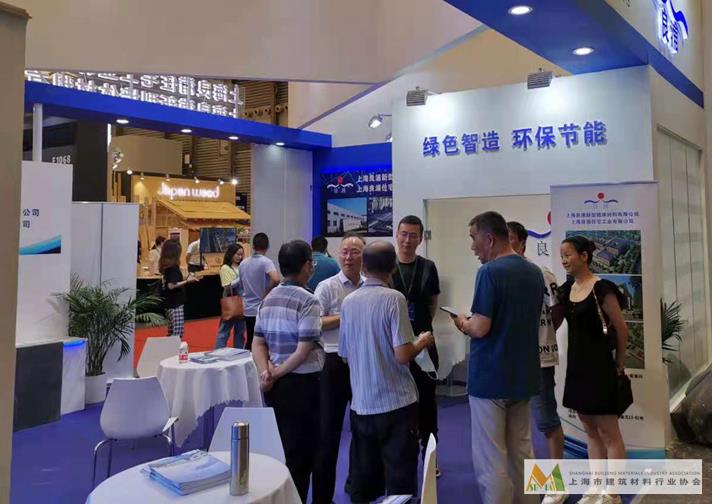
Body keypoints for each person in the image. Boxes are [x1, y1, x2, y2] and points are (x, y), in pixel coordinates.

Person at [450, 211, 543, 504]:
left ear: (489, 238)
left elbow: (480, 327)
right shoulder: (534, 271)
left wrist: (463, 323)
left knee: (491, 457)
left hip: (491, 377)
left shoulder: (489, 272)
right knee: (523, 449)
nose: (472, 247)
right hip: (524, 374)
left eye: (473, 238)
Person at [339, 241, 434, 504]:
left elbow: (344, 354)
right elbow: (402, 354)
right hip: (396, 403)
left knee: (364, 478)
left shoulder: (348, 302)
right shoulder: (394, 298)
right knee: (399, 481)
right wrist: (422, 341)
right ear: (392, 268)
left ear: (363, 267)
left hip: (362, 403)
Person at [553, 236, 627, 504]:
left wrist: (620, 363)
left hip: (600, 368)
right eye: (561, 255)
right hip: (577, 369)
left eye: (568, 255)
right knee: (591, 432)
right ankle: (595, 487)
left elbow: (622, 329)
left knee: (609, 433)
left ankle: (613, 493)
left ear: (584, 256)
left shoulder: (602, 289)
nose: (564, 260)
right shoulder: (565, 290)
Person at [251, 240, 324, 504]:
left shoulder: (268, 299)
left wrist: (266, 372)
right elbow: (303, 350)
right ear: (306, 266)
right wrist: (276, 373)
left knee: (283, 448)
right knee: (302, 456)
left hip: (275, 386)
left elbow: (257, 342)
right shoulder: (308, 300)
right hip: (302, 384)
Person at [507, 221, 566, 504]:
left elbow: (558, 309)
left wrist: (543, 334)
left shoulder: (541, 273)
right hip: (509, 361)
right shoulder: (498, 274)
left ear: (521, 242)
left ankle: (556, 486)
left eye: (509, 238)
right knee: (518, 426)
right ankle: (525, 482)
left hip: (539, 359)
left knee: (547, 420)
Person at [312, 233, 366, 504]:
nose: (348, 257)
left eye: (355, 252)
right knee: (327, 434)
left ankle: (357, 486)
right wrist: (347, 314)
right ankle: (322, 497)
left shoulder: (370, 286)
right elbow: (315, 323)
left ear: (364, 256)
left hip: (363, 364)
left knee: (363, 431)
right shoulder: (327, 287)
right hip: (332, 364)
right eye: (344, 251)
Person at [391, 215, 441, 473]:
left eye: (413, 235)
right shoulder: (387, 266)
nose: (407, 240)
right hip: (394, 347)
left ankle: (430, 460)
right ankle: (401, 460)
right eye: (403, 234)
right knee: (398, 406)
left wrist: (419, 332)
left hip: (424, 344)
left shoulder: (428, 267)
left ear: (420, 239)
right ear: (396, 235)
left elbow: (432, 304)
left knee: (427, 406)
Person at [239, 233, 281, 350]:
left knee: (250, 339)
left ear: (253, 246)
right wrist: (266, 293)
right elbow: (276, 279)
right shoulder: (266, 262)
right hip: (262, 307)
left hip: (248, 307)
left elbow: (241, 284)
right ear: (267, 246)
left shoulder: (243, 263)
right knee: (263, 341)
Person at [159, 239, 198, 338]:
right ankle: (174, 348)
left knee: (171, 331)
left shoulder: (166, 265)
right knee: (177, 333)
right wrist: (187, 281)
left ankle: (170, 347)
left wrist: (186, 279)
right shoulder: (173, 267)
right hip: (175, 304)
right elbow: (171, 285)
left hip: (169, 303)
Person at [215, 243, 246, 349]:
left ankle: (238, 352)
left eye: (241, 255)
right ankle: (218, 352)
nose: (239, 257)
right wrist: (240, 278)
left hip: (242, 303)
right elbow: (227, 286)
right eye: (237, 254)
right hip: (231, 303)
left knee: (240, 332)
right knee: (224, 331)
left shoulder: (242, 267)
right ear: (231, 254)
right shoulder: (225, 268)